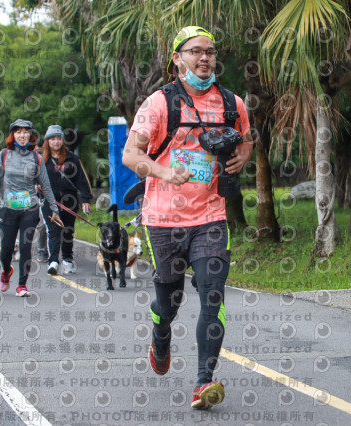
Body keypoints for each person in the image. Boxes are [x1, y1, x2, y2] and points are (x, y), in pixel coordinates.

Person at [122, 26, 253, 410]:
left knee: (212, 293)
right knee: (170, 299)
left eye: (210, 51)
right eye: (195, 51)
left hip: (211, 215)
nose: (205, 58)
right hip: (163, 219)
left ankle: (203, 382)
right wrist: (163, 172)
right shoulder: (159, 103)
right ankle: (160, 335)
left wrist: (243, 156)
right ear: (177, 59)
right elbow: (131, 155)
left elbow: (246, 140)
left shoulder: (232, 103)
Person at [0, 119, 62, 297]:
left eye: (26, 132)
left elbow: (46, 185)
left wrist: (54, 210)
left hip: (30, 208)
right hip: (8, 208)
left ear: (31, 135)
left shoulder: (36, 158)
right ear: (13, 135)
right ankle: (6, 271)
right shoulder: (4, 154)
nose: (22, 135)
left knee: (26, 247)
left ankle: (22, 285)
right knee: (6, 250)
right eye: (18, 132)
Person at [40, 124, 92, 275]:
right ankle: (53, 261)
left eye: (58, 139)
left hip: (70, 200)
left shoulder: (72, 158)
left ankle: (67, 259)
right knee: (54, 230)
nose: (56, 142)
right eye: (53, 139)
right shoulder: (42, 160)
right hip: (50, 201)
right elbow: (34, 178)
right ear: (47, 141)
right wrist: (36, 187)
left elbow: (81, 180)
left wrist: (85, 200)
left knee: (68, 230)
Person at [34, 139, 49, 263]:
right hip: (29, 197)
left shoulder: (49, 160)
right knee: (41, 225)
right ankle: (41, 248)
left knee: (46, 224)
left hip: (47, 197)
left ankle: (46, 248)